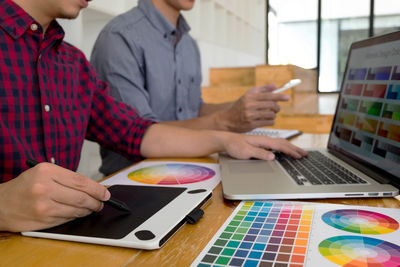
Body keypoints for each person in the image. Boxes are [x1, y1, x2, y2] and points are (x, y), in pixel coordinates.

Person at [0, 0, 306, 233]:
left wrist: (228, 138)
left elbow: (136, 131)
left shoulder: (72, 62)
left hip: (67, 233)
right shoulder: (120, 36)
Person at [91, 0, 290, 176]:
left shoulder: (189, 44)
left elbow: (194, 109)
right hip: (134, 180)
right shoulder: (119, 37)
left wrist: (240, 108)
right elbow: (140, 132)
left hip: (192, 168)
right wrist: (226, 122)